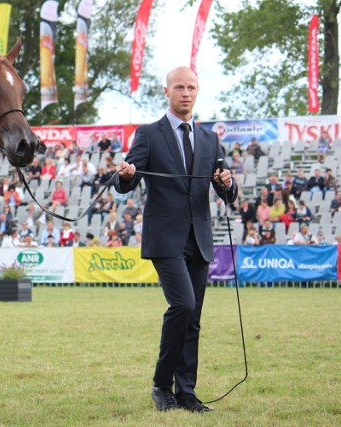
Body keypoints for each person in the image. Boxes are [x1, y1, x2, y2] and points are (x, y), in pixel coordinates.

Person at [114, 66, 236, 413]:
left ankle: (186, 393)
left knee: (193, 317)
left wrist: (227, 184)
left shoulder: (210, 139)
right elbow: (127, 181)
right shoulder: (149, 134)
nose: (186, 92)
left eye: (192, 87)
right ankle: (160, 386)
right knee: (182, 305)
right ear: (166, 91)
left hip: (199, 238)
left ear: (198, 92)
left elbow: (228, 193)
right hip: (165, 238)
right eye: (179, 87)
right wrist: (125, 175)